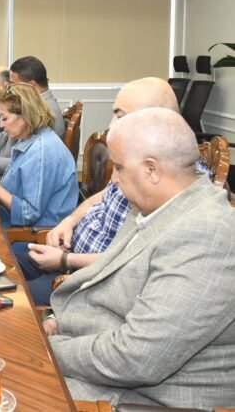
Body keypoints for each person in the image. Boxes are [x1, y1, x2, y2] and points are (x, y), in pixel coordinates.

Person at [45, 108, 235, 409]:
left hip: (142, 398)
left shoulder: (207, 234)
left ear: (151, 170)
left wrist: (47, 348)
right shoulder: (159, 207)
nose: (114, 180)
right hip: (96, 357)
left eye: (119, 168)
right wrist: (56, 323)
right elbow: (108, 287)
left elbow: (135, 359)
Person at [23, 77, 183, 305]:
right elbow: (104, 195)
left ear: (156, 122)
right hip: (68, 254)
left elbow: (131, 261)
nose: (110, 124)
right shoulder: (134, 160)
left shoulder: (165, 181)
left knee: (8, 297)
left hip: (90, 281)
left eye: (120, 115)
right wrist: (69, 221)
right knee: (1, 267)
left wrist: (66, 260)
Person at [0, 83, 77, 231]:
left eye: (4, 118)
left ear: (25, 116)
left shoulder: (41, 152)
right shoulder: (30, 139)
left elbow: (28, 214)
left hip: (33, 237)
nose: (1, 125)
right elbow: (18, 187)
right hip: (15, 226)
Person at [10, 56, 65, 138]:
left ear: (31, 86)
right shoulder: (43, 104)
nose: (11, 90)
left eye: (14, 85)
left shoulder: (43, 112)